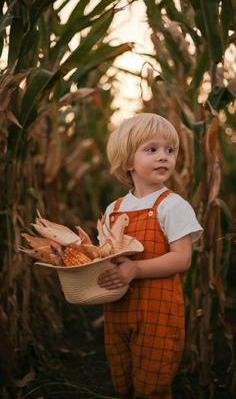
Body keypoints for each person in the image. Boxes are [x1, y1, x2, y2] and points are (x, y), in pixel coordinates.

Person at [97, 113, 203, 399]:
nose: (164, 157)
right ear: (128, 162)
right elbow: (104, 256)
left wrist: (135, 270)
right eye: (151, 149)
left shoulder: (173, 206)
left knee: (152, 386)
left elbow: (182, 259)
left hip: (158, 312)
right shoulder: (113, 210)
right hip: (118, 310)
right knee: (123, 381)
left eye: (170, 150)